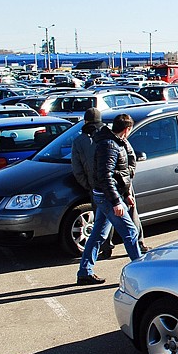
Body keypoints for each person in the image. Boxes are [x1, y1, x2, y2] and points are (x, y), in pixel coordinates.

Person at [75, 114, 142, 285]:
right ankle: (141, 274)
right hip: (108, 197)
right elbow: (105, 177)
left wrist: (126, 194)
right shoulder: (109, 145)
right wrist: (116, 202)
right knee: (131, 232)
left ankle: (84, 271)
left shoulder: (115, 142)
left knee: (98, 234)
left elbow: (122, 172)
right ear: (127, 129)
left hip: (110, 195)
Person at [71, 107, 115, 259]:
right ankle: (135, 247)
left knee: (100, 219)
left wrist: (88, 185)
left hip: (95, 187)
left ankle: (103, 248)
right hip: (112, 184)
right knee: (120, 217)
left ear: (85, 121)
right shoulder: (109, 135)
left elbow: (77, 168)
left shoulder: (79, 141)